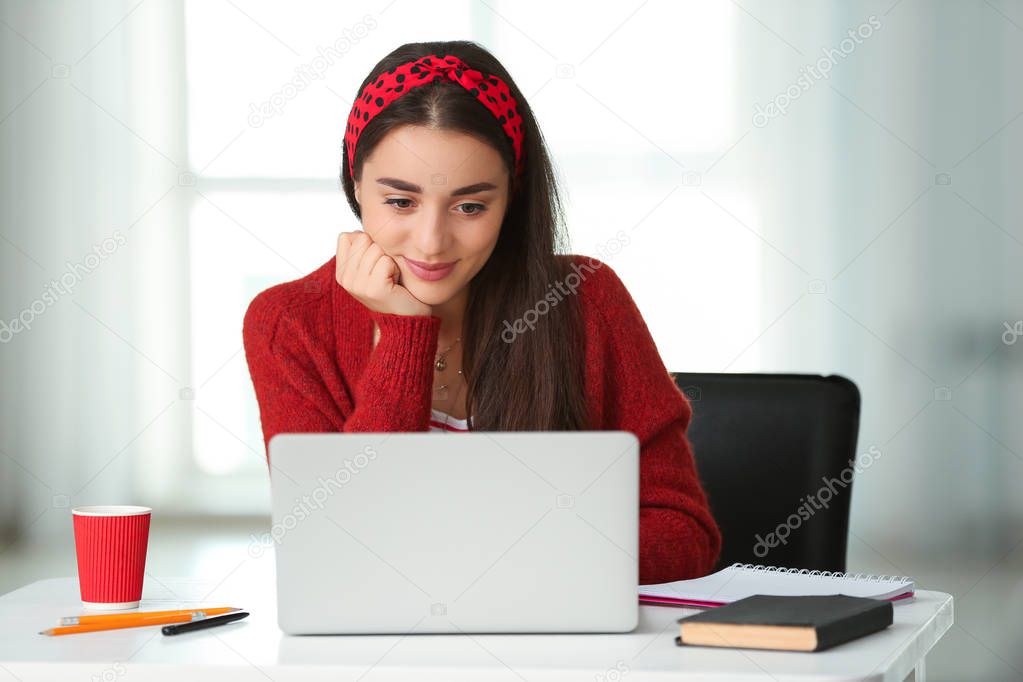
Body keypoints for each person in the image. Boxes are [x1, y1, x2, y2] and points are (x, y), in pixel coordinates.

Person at [242, 40, 721, 583]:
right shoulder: (288, 322)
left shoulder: (588, 299)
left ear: (511, 198)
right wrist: (404, 337)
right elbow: (336, 557)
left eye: (470, 206)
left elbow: (683, 534)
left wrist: (491, 570)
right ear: (355, 185)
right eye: (400, 201)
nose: (430, 242)